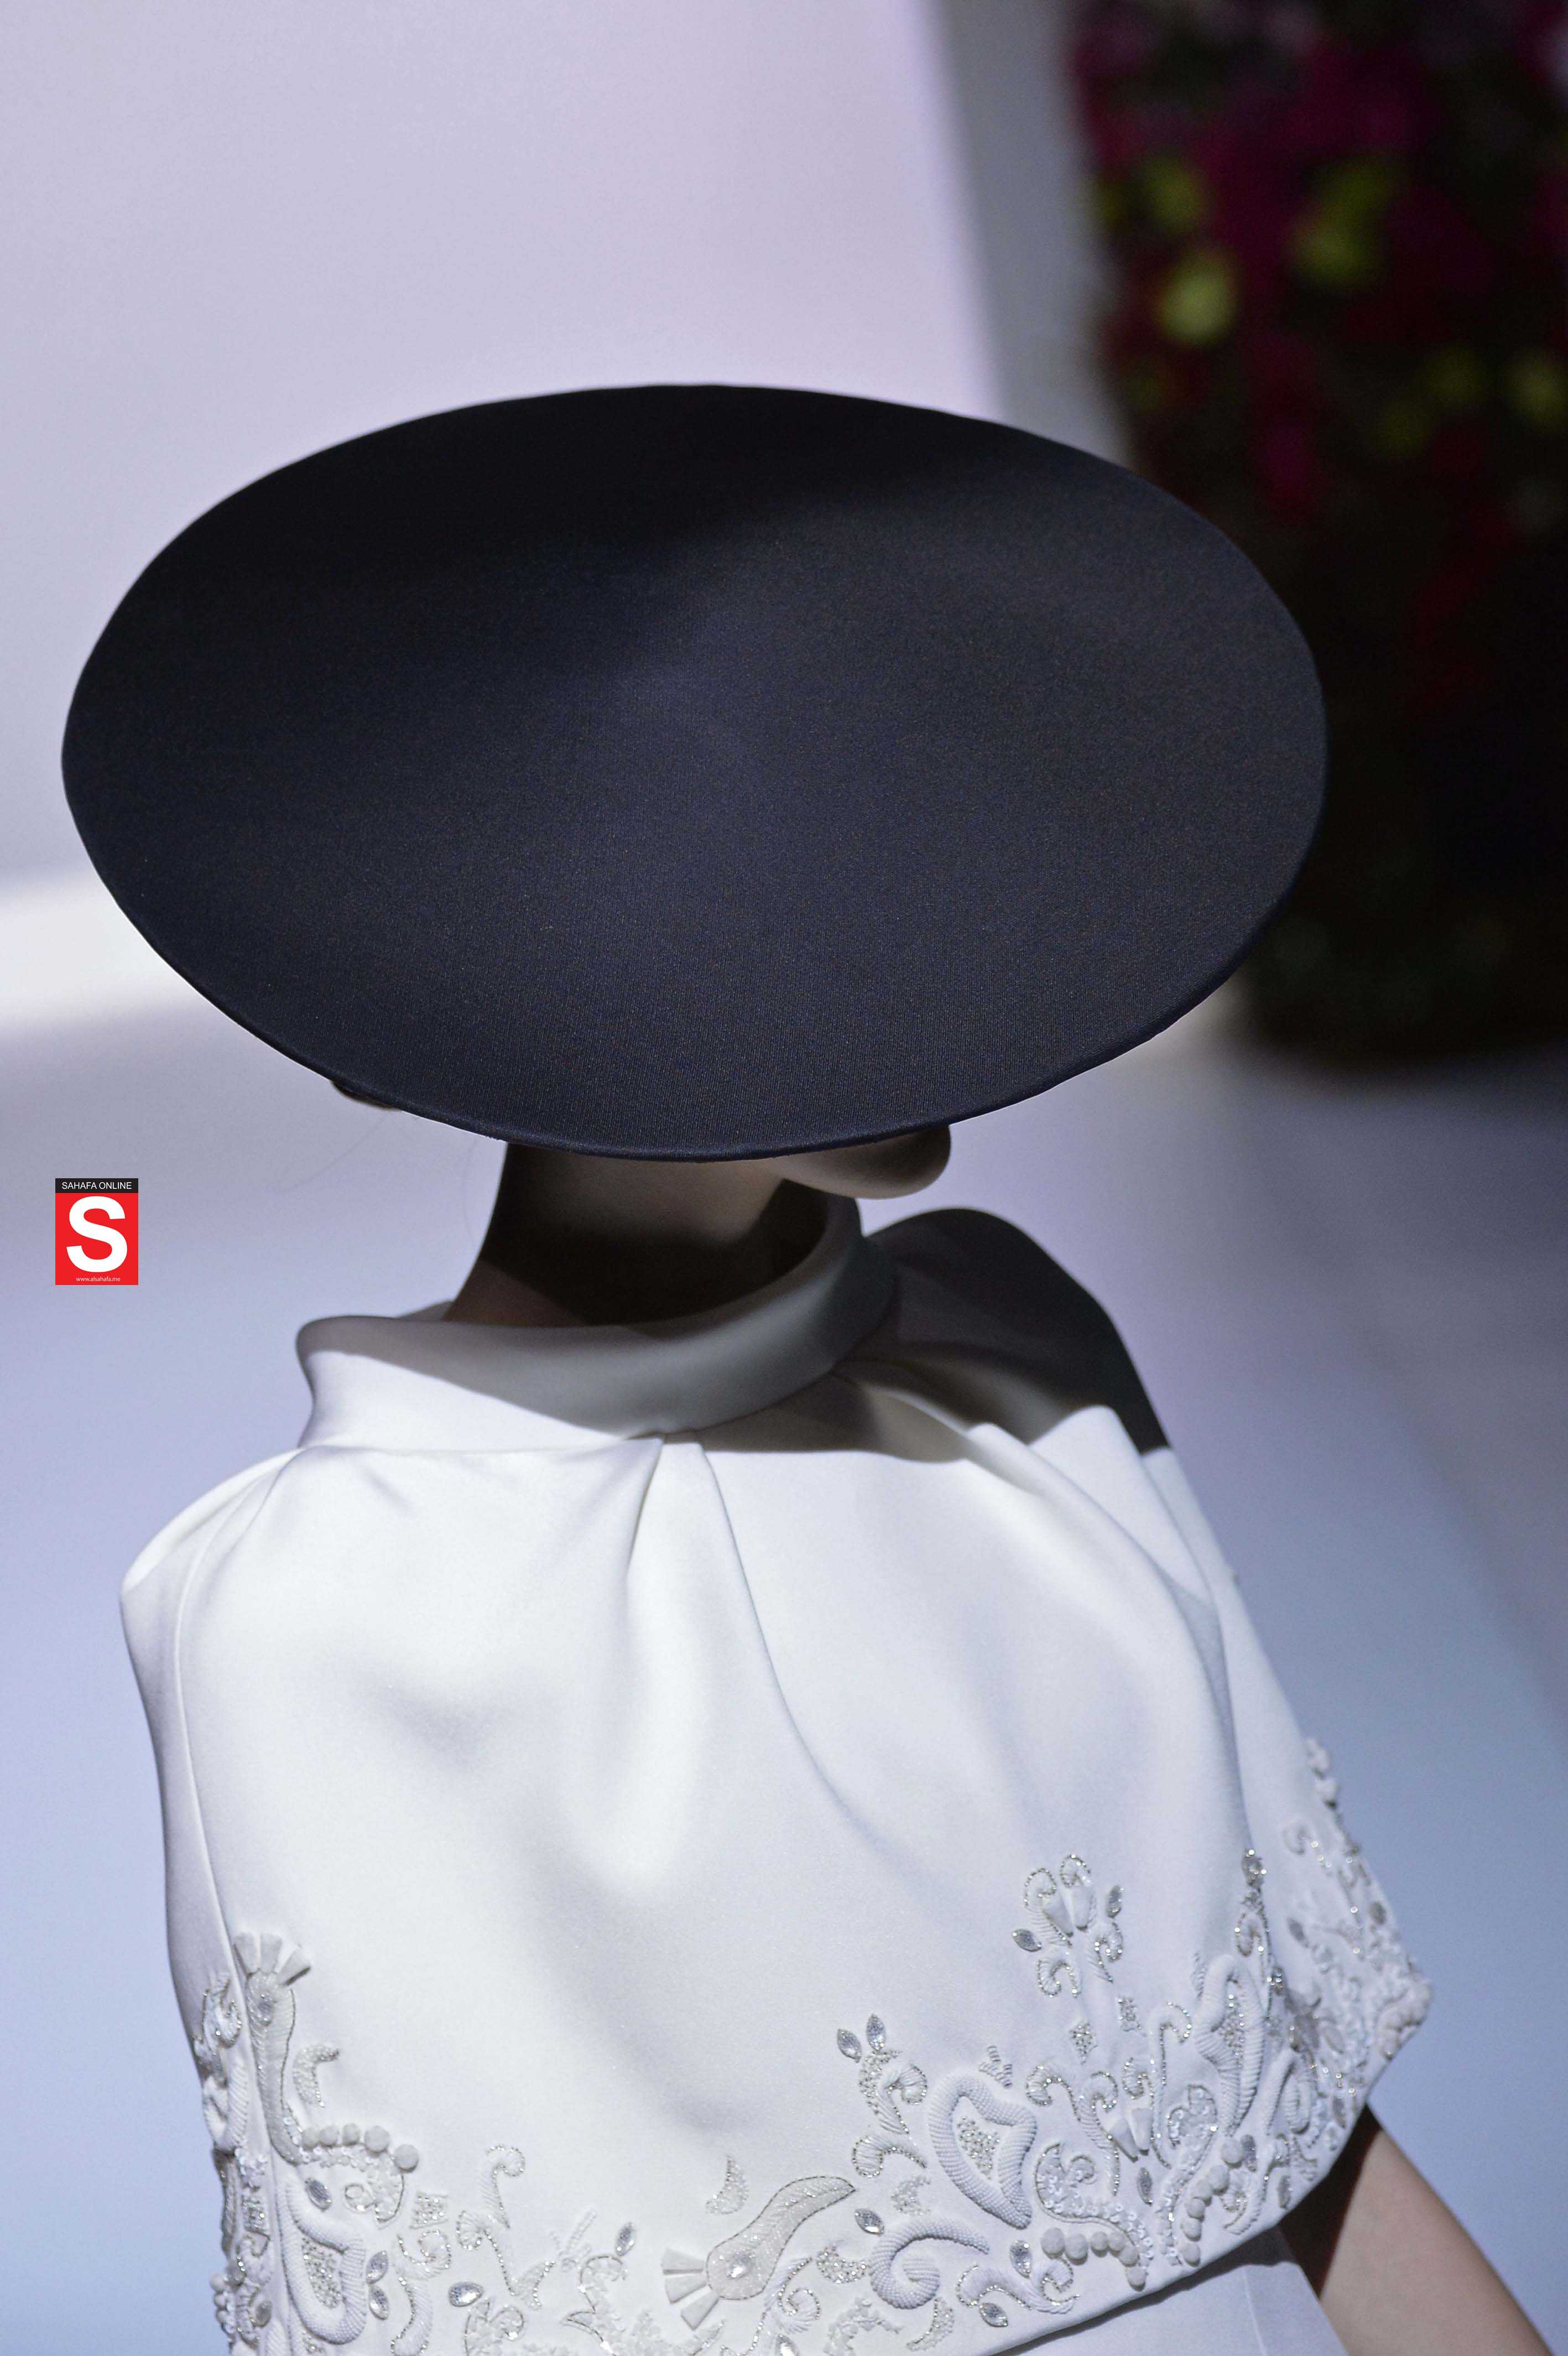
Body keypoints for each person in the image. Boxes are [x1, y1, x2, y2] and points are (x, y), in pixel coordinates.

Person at [65, 387, 1546, 2354]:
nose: (915, 960)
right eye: (763, 912)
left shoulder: (1009, 1346)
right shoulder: (303, 1615)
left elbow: (1290, 2132)